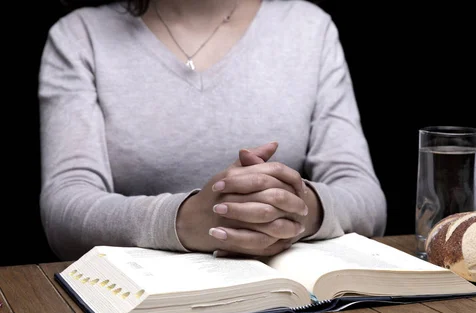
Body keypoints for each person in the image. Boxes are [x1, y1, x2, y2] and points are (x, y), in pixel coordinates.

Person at [39, 0, 387, 261]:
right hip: (138, 307)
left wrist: (292, 208)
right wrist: (184, 220)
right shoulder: (79, 37)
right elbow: (64, 208)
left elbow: (366, 199)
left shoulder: (310, 28)